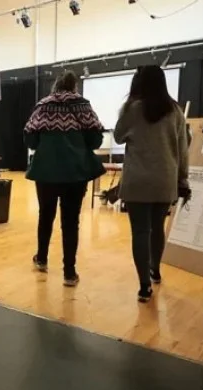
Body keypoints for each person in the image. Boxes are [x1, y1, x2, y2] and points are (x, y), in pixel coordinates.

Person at [114, 66, 190, 302]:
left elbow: (117, 136)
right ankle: (155, 270)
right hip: (164, 180)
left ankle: (144, 286)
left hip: (137, 180)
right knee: (157, 228)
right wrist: (183, 178)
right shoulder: (175, 111)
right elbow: (182, 149)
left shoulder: (132, 109)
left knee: (140, 231)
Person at [23, 70, 105, 287]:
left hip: (46, 171)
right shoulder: (83, 105)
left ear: (56, 86)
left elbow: (30, 139)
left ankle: (41, 259)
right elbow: (96, 140)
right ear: (74, 86)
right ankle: (69, 272)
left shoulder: (43, 106)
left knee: (45, 215)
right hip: (75, 172)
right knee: (71, 222)